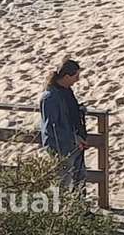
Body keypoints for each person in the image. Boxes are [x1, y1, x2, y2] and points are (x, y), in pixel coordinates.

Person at [39, 57, 88, 193]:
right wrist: (73, 139)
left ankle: (81, 210)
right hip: (62, 148)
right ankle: (63, 212)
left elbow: (69, 113)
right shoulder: (50, 97)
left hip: (75, 143)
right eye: (75, 76)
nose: (77, 80)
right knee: (63, 184)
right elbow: (52, 128)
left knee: (80, 177)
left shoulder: (67, 90)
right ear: (66, 76)